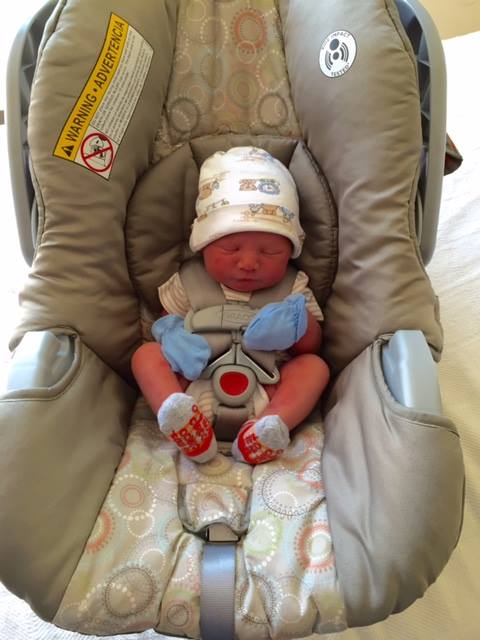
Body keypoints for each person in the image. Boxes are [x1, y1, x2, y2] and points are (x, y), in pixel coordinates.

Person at [131, 146, 329, 465]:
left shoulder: (293, 288)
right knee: (146, 355)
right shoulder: (188, 281)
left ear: (291, 250)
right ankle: (176, 414)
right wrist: (171, 335)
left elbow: (312, 347)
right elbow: (166, 321)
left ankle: (269, 428)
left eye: (269, 252)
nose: (248, 262)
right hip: (192, 388)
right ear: (203, 244)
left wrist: (299, 325)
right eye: (231, 248)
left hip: (267, 390)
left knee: (314, 368)